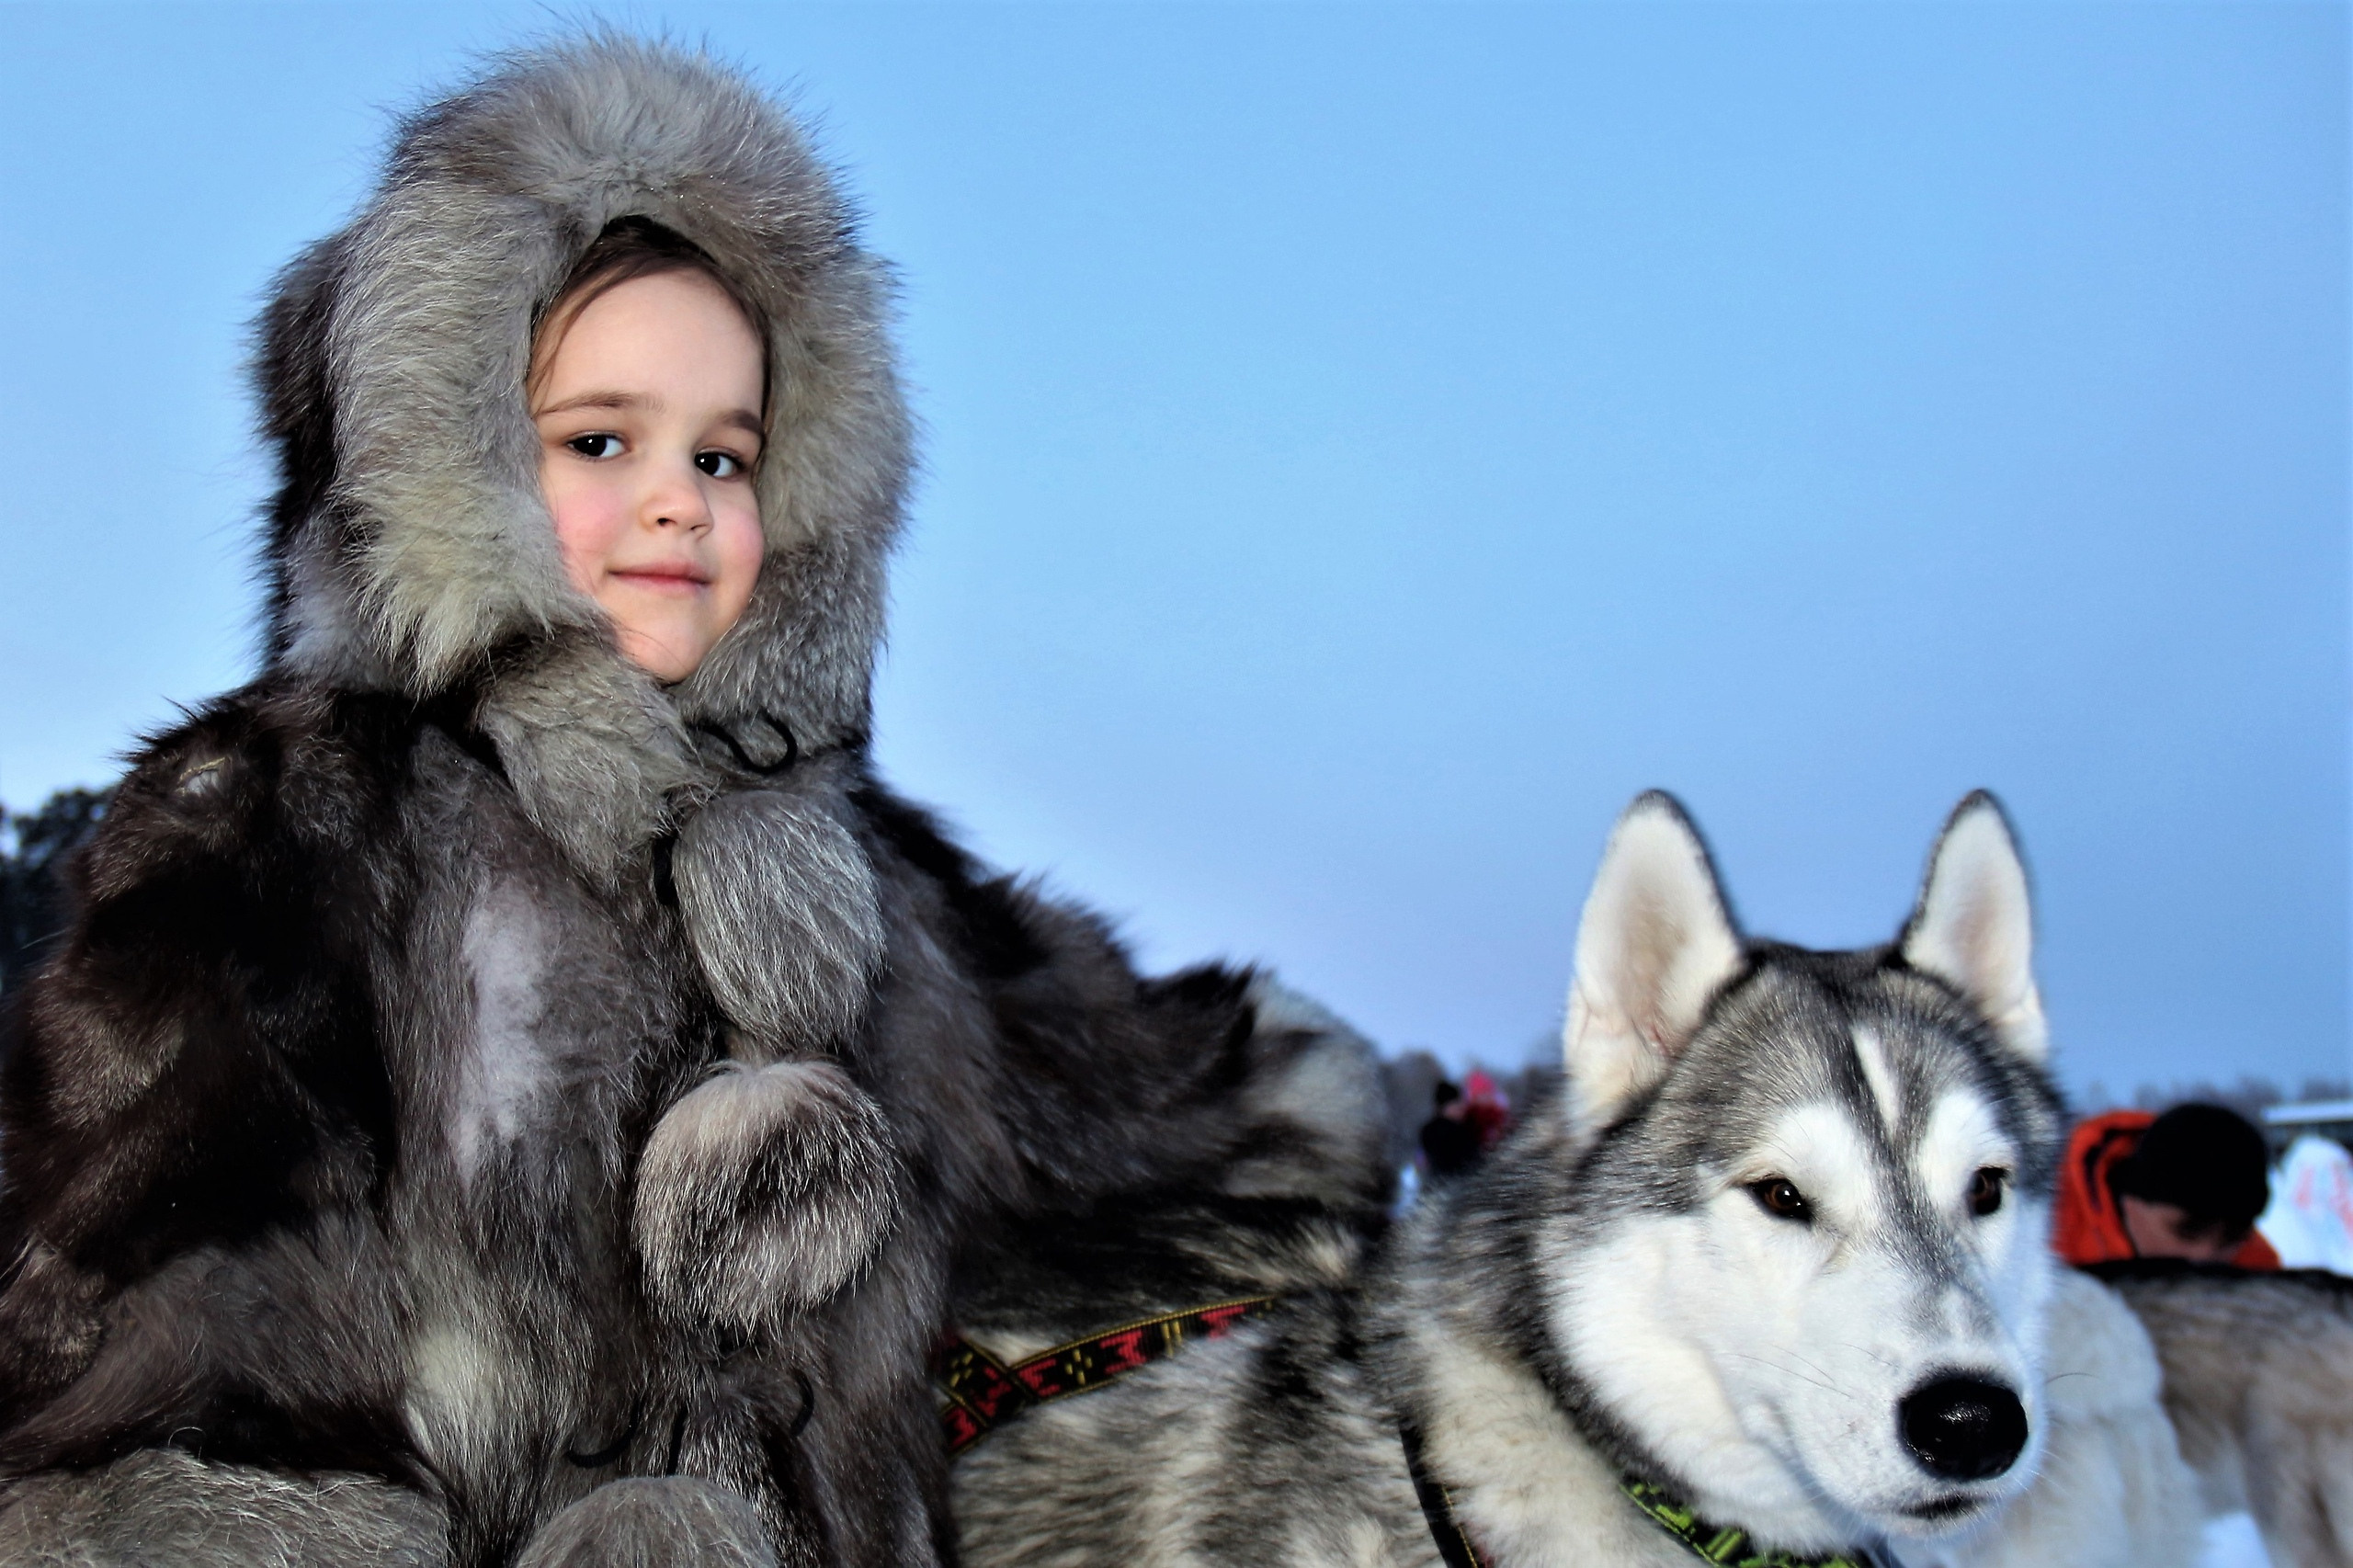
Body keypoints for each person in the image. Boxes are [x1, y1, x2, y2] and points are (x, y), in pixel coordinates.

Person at [0, 39, 1387, 1567]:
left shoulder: (868, 898)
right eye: (601, 439)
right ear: (445, 470)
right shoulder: (282, 829)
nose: (683, 499)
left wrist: (1413, 1129)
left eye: (727, 456)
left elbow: (1177, 1115)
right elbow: (174, 1360)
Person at [2053, 1102, 2281, 1268]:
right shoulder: (2043, 1237)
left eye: (2231, 1237)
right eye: (2188, 1230)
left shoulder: (2254, 1268)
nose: (2206, 1258)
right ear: (2131, 1202)